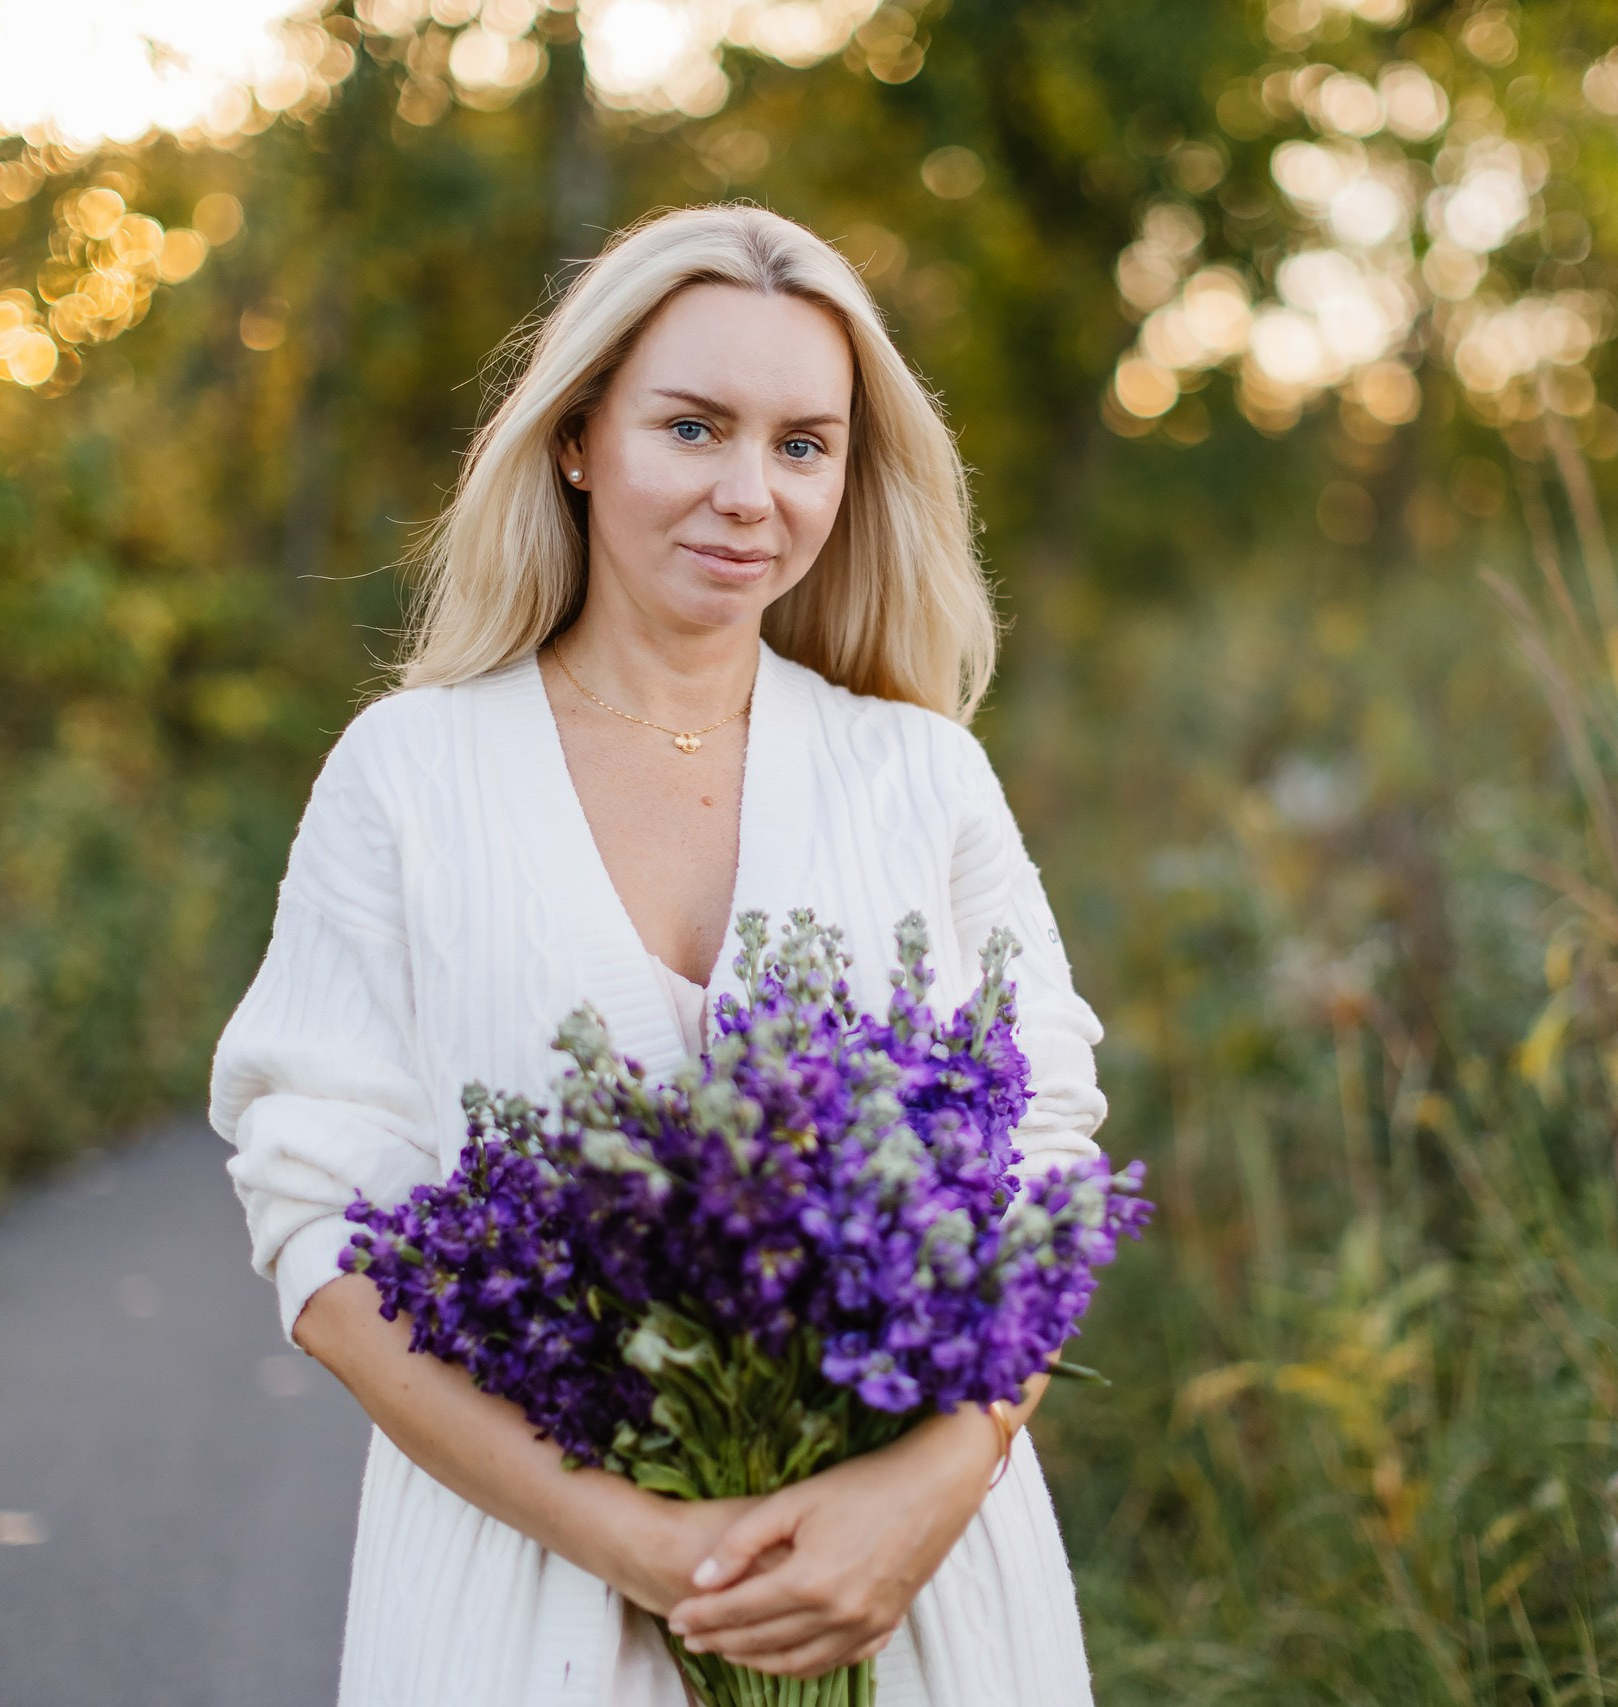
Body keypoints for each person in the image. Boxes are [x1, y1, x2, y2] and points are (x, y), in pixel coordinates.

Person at [209, 203, 1110, 1706]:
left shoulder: (922, 777)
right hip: (525, 1606)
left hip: (910, 1601)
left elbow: (1049, 1166)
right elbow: (319, 1231)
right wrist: (631, 1542)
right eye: (693, 428)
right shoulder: (411, 776)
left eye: (802, 444)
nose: (749, 493)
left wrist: (927, 1494)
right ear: (576, 440)